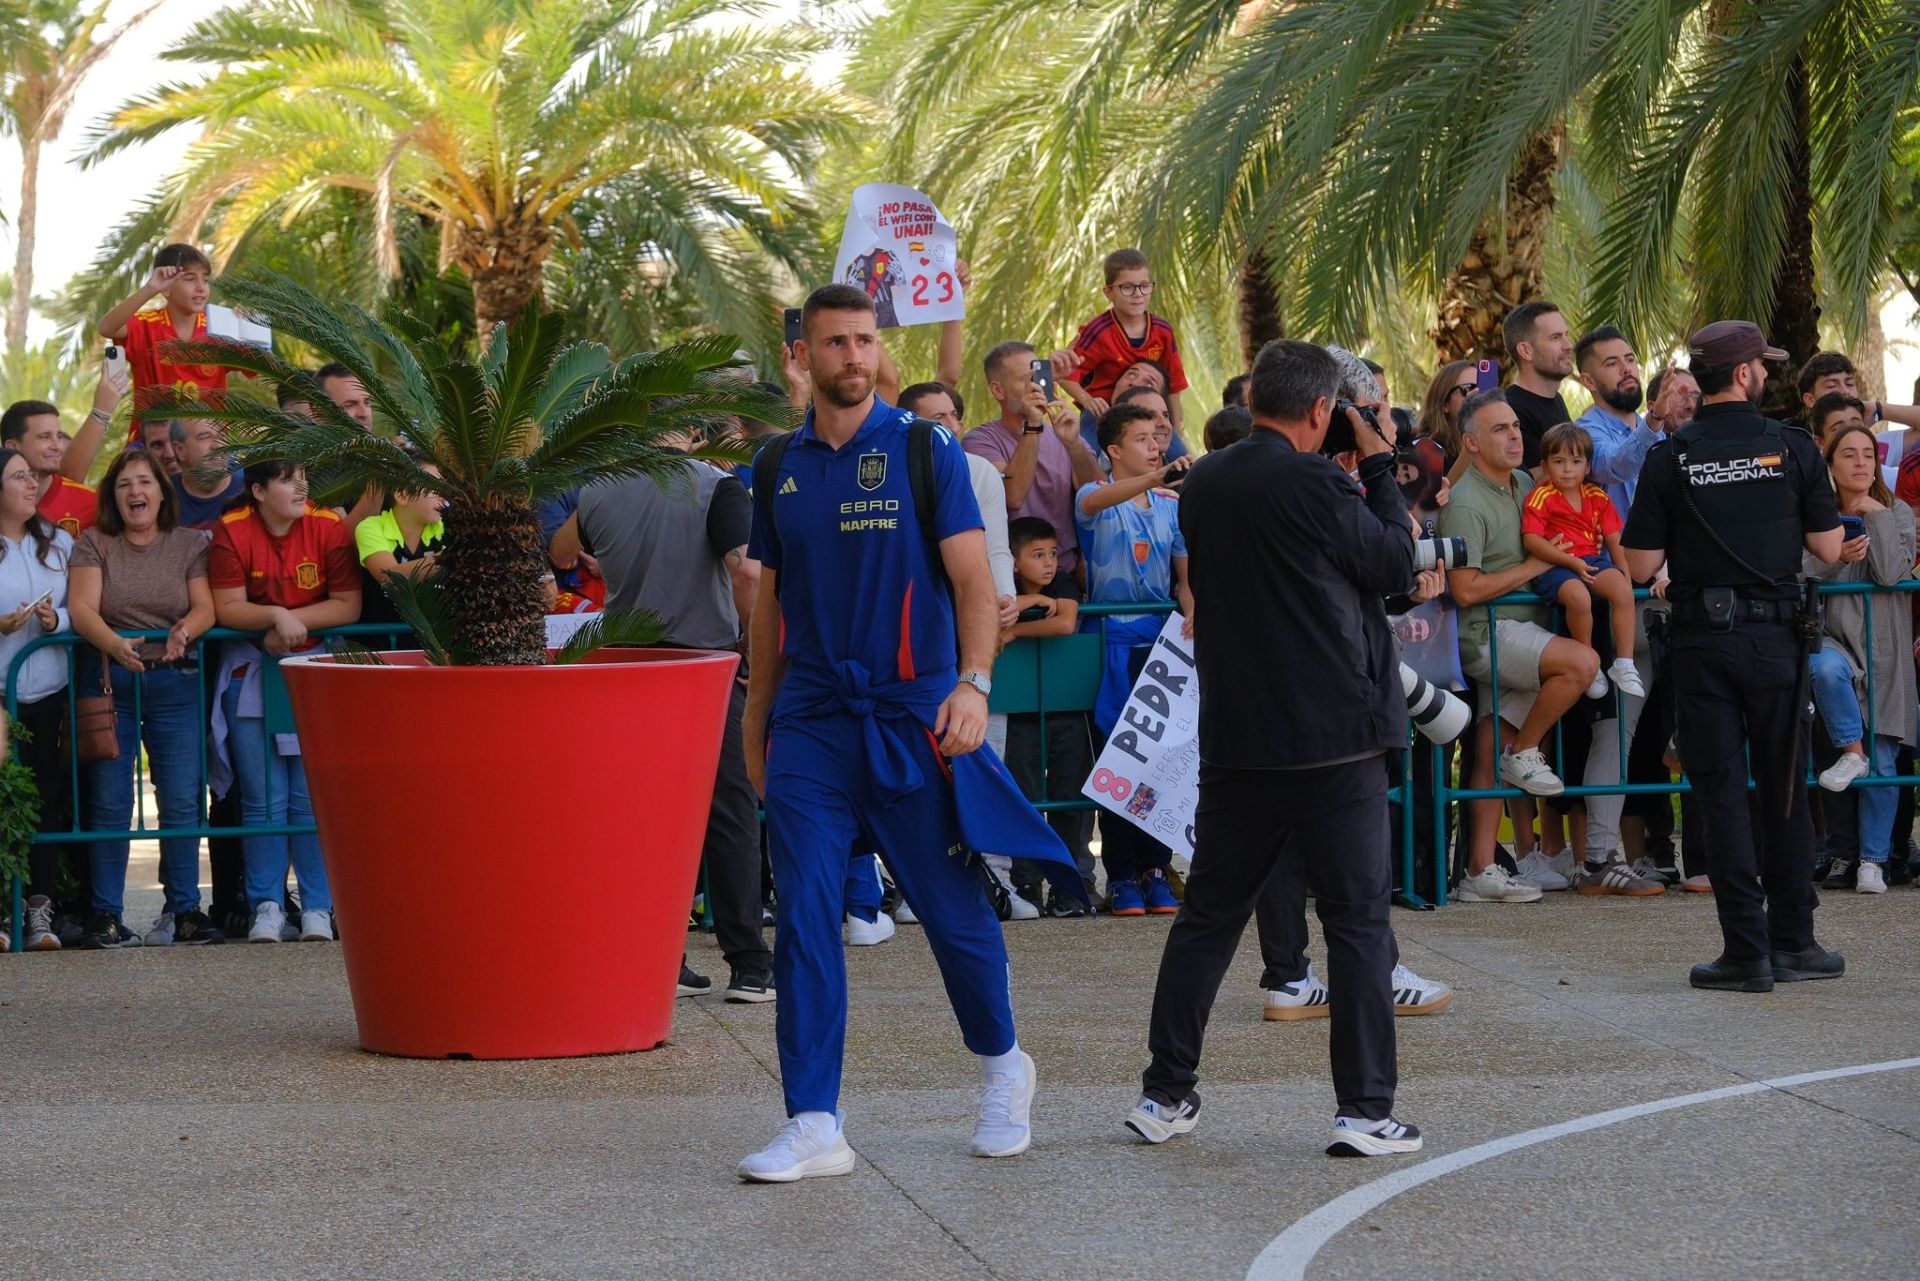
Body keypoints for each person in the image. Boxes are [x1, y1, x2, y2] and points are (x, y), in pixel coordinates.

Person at [737, 284, 1078, 1183]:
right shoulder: (778, 466)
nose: (851, 356)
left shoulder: (924, 450)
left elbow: (973, 582)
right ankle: (815, 1120)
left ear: (879, 349)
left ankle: (1005, 1064)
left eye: (863, 340)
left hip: (915, 712)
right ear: (804, 357)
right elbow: (768, 604)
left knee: (951, 905)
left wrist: (973, 684)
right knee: (807, 911)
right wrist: (755, 718)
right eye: (833, 343)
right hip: (810, 720)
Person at [1130, 339, 1420, 1159]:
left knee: (1208, 918)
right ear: (1323, 409)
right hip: (1334, 737)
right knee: (1358, 923)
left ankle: (1165, 1092)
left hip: (1239, 738)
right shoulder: (1321, 479)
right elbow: (1394, 563)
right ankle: (1365, 1110)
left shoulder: (1207, 480)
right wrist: (1382, 463)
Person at [1620, 320, 1844, 992]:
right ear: (1744, 374)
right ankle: (1795, 942)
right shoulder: (1793, 446)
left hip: (1701, 640)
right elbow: (1830, 549)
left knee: (1717, 793)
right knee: (1783, 785)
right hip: (1776, 637)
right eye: (1763, 367)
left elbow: (1640, 562)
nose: (1768, 376)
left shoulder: (1671, 456)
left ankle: (1745, 952)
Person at [571, 434, 775, 1001]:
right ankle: (750, 964)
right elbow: (748, 572)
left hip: (625, 668)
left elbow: (567, 550)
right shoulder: (715, 486)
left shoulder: (597, 493)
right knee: (730, 813)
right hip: (701, 666)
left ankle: (664, 958)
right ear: (689, 431)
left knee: (643, 821)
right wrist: (753, 653)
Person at [1438, 390, 1601, 902]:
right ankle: (1527, 752)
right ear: (1471, 442)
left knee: (1488, 746)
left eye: (1514, 426)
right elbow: (1463, 590)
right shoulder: (1465, 502)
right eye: (1499, 429)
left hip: (1521, 631)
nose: (1514, 435)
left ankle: (1479, 872)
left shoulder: (1528, 483)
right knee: (1582, 662)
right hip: (1486, 636)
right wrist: (1537, 567)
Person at [65, 448, 222, 948]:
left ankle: (185, 910)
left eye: (145, 482)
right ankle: (106, 914)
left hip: (175, 681)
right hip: (111, 680)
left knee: (180, 799)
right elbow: (82, 607)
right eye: (124, 485)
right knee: (110, 802)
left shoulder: (189, 544)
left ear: (161, 491)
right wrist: (112, 642)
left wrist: (184, 631)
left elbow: (206, 608)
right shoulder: (94, 543)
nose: (136, 492)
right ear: (113, 497)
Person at [209, 460, 361, 944]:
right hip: (250, 668)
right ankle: (267, 906)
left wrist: (290, 626)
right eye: (285, 480)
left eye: (304, 478)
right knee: (262, 798)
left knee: (308, 798)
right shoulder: (231, 530)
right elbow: (226, 606)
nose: (301, 487)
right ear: (256, 490)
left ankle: (318, 905)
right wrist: (275, 618)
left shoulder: (328, 525)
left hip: (314, 670)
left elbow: (348, 604)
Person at [1077, 402, 1192, 914]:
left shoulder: (1171, 505)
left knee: (1162, 758)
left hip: (1161, 645)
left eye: (1158, 438)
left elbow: (1185, 581)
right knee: (1118, 757)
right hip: (1111, 644)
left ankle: (1155, 866)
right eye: (1143, 439)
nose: (1155, 447)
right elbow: (1098, 500)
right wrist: (1158, 476)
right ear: (1114, 451)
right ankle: (1120, 872)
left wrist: (1195, 615)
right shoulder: (1093, 497)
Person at [1804, 424, 1915, 896]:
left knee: (1886, 759)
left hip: (1887, 647)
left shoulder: (1899, 510)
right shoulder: (1814, 513)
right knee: (1822, 668)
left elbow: (1892, 572)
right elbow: (1801, 572)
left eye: (1868, 453)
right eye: (1848, 454)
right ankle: (1851, 753)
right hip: (1836, 638)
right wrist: (1835, 557)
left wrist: (1877, 517)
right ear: (1830, 465)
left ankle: (1874, 861)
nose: (1860, 463)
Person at [998, 517, 1096, 916]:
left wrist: (1016, 632)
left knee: (1070, 793)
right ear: (1014, 564)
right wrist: (1025, 604)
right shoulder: (1001, 586)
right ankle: (1025, 881)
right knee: (1021, 792)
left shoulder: (1064, 584)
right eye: (1037, 555)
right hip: (1018, 707)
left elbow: (1067, 622)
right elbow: (991, 615)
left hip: (1066, 703)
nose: (1050, 563)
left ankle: (1069, 882)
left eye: (1053, 553)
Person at [0, 446, 76, 950]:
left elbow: (83, 605)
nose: (33, 484)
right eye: (19, 476)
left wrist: (57, 621)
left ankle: (39, 908)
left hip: (50, 692)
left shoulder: (60, 542)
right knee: (6, 799)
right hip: (0, 697)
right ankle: (4, 910)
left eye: (33, 475)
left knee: (48, 799)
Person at [1523, 422, 1644, 698]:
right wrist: (1569, 562)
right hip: (1554, 566)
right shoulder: (1541, 497)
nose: (1567, 469)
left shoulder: (1597, 496)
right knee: (1579, 597)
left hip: (1590, 559)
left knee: (1621, 589)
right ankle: (1589, 662)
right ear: (1544, 465)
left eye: (1576, 461)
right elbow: (1532, 540)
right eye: (1559, 461)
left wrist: (1624, 572)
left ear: (1587, 467)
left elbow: (1614, 538)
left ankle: (1624, 663)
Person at [964, 340, 1102, 583]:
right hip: (1010, 579)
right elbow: (1012, 496)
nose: (1035, 387)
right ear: (998, 390)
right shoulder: (979, 440)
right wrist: (1034, 425)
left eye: (1038, 377)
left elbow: (1099, 495)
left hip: (1064, 576)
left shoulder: (1064, 433)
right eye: (1025, 380)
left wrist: (1074, 445)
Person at [96, 242, 234, 428]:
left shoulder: (220, 326)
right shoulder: (147, 325)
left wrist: (251, 322)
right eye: (190, 278)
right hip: (153, 449)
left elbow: (263, 359)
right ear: (166, 288)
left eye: (205, 279)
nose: (201, 287)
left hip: (210, 447)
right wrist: (150, 289)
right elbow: (107, 328)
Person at [1060, 248, 1190, 433]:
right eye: (1127, 287)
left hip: (1149, 411)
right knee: (1087, 452)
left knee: (1179, 455)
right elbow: (1066, 376)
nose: (1138, 294)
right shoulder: (1098, 331)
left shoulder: (1162, 331)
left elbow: (1174, 384)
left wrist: (1175, 428)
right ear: (1108, 292)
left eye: (1144, 286)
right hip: (1103, 411)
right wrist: (1088, 401)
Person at [355, 462, 444, 627]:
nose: (443, 496)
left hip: (435, 641)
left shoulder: (446, 528)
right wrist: (452, 557)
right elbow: (390, 578)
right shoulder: (371, 527)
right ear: (402, 494)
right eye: (433, 487)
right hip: (380, 642)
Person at [1501, 301, 1574, 473]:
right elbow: (1541, 486)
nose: (1568, 345)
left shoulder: (1556, 399)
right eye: (1555, 338)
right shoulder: (1512, 410)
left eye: (1566, 335)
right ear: (1526, 351)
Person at [171, 418, 247, 529]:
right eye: (205, 437)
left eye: (222, 436)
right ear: (180, 450)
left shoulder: (250, 488)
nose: (218, 446)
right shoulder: (163, 495)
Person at [1416, 359, 1476, 470]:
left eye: (1483, 388)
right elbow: (1444, 486)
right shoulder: (1426, 447)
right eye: (1468, 389)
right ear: (1444, 403)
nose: (1478, 394)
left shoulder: (1493, 439)